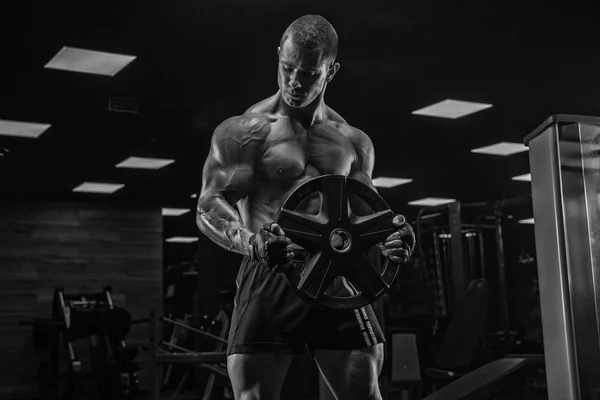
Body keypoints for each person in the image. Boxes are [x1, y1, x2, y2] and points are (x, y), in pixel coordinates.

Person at [196, 14, 416, 400]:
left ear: (331, 71)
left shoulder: (353, 141)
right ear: (279, 55)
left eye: (309, 73)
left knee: (364, 390)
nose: (295, 82)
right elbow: (209, 205)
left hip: (336, 270)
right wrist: (252, 244)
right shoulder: (247, 131)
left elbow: (370, 217)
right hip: (271, 271)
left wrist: (393, 239)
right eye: (287, 68)